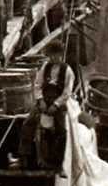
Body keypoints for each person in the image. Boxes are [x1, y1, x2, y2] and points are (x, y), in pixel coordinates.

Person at [10, 42, 78, 170]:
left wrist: (56, 105)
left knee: (61, 130)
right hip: (44, 100)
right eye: (50, 56)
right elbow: (37, 85)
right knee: (27, 124)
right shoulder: (45, 67)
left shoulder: (67, 71)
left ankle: (58, 163)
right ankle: (23, 157)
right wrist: (40, 100)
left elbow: (67, 92)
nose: (52, 58)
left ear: (61, 55)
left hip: (58, 102)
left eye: (55, 55)